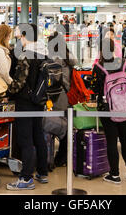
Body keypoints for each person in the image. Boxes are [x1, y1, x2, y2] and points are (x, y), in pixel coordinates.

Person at [90, 38, 126, 184]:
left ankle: (114, 175)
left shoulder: (98, 67)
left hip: (107, 108)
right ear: (114, 49)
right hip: (125, 107)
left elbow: (94, 89)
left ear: (101, 51)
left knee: (111, 141)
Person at [6, 23, 49, 190]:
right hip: (39, 101)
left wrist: (9, 90)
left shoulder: (26, 54)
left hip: (24, 102)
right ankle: (42, 172)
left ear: (24, 35)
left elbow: (20, 82)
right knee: (39, 135)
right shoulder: (44, 52)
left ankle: (26, 179)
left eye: (18, 35)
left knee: (25, 140)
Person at [47, 32, 77, 167]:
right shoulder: (67, 56)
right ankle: (62, 157)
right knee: (65, 125)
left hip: (55, 95)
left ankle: (52, 159)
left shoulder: (54, 58)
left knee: (53, 126)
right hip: (66, 95)